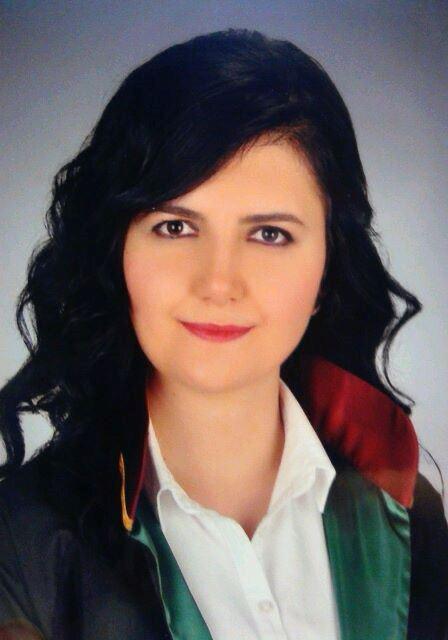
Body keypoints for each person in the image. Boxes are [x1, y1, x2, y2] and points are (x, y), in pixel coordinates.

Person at [0, 28, 447, 640]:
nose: (218, 282)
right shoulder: (18, 544)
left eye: (269, 234)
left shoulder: (408, 518)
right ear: (116, 250)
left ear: (328, 268)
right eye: (175, 227)